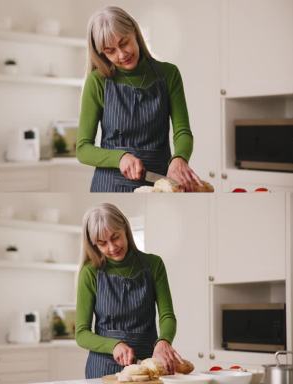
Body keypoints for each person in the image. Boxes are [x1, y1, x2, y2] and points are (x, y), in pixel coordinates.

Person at [76, 6, 203, 192]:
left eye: (124, 43)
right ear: (102, 53)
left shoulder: (169, 74)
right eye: (110, 51)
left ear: (135, 32)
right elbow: (82, 149)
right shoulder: (97, 81)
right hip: (110, 186)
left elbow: (182, 131)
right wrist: (119, 158)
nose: (121, 54)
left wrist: (179, 158)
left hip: (159, 185)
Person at [76, 203, 182, 378]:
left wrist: (164, 341)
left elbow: (167, 316)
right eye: (102, 243)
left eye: (115, 237)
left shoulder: (154, 264)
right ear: (94, 245)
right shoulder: (90, 272)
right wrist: (114, 345)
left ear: (125, 228)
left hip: (147, 364)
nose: (112, 247)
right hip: (103, 367)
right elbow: (81, 334)